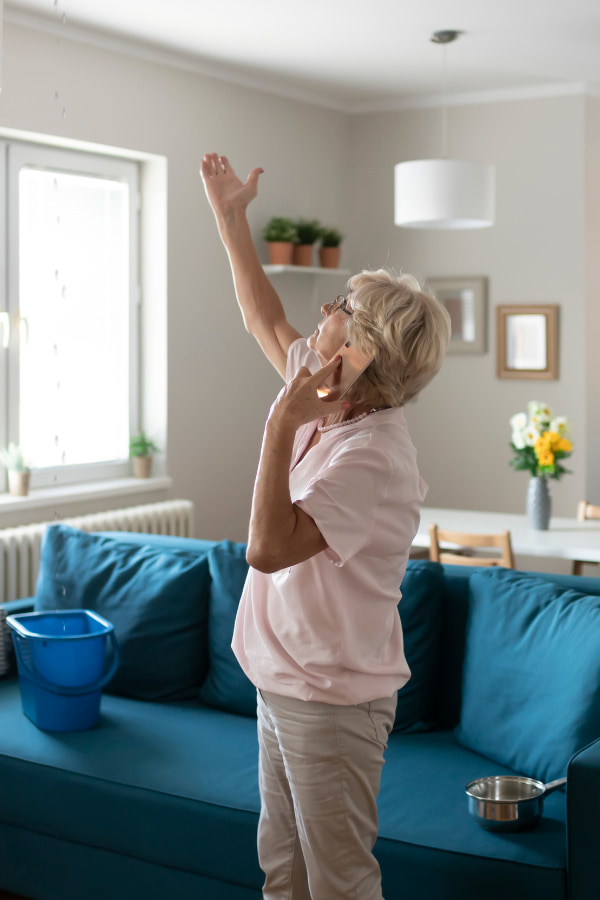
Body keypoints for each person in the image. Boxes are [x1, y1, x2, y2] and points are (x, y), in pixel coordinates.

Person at [200, 152, 451, 900]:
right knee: (283, 875)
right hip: (280, 683)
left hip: (333, 700)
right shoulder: (326, 389)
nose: (323, 314)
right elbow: (261, 313)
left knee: (338, 885)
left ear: (363, 350)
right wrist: (229, 214)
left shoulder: (373, 457)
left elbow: (269, 550)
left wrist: (282, 423)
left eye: (339, 307)